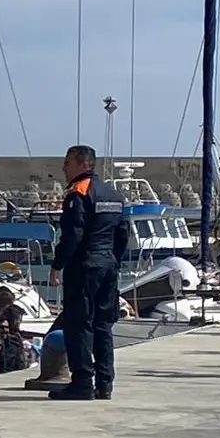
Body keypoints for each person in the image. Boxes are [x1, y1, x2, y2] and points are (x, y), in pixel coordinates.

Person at [49, 145, 127, 401]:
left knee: (78, 324)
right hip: (107, 265)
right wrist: (113, 261)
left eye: (67, 162)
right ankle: (105, 383)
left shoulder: (78, 192)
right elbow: (122, 233)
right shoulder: (114, 195)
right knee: (103, 325)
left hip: (84, 266)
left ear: (84, 164)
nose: (63, 168)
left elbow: (73, 233)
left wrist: (58, 264)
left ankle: (82, 382)